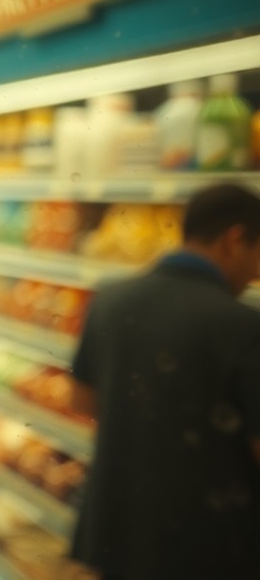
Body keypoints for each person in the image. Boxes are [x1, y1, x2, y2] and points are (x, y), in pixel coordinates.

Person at [69, 184, 260, 580]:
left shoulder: (109, 300)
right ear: (235, 239)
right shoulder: (244, 326)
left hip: (117, 530)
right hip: (207, 545)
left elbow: (83, 400)